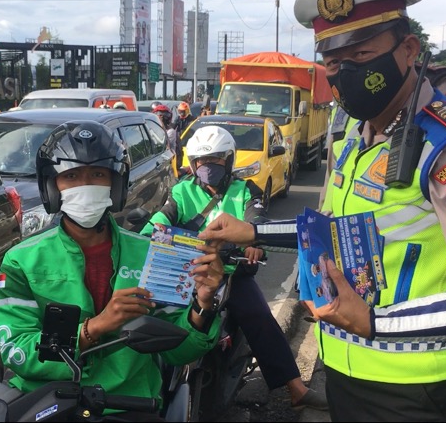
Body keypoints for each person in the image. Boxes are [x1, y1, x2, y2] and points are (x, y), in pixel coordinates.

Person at [199, 0, 446, 421]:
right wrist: (252, 230)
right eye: (333, 62)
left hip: (419, 391)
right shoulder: (358, 137)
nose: (346, 73)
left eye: (361, 54)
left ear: (408, 50)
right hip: (343, 370)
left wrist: (376, 324)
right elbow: (336, 232)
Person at [0, 121, 224, 420]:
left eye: (98, 175)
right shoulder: (21, 260)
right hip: (47, 402)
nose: (85, 185)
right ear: (52, 186)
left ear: (115, 184)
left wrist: (203, 305)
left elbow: (178, 349)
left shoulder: (150, 253)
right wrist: (95, 327)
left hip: (129, 405)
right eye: (71, 176)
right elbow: (16, 348)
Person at [140, 126, 328, 411]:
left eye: (214, 159)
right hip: (187, 272)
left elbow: (257, 219)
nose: (206, 166)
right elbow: (162, 219)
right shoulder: (181, 191)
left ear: (228, 160)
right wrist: (144, 237)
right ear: (192, 163)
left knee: (259, 317)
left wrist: (256, 240)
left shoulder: (245, 190)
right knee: (147, 312)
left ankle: (295, 388)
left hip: (230, 273)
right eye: (200, 161)